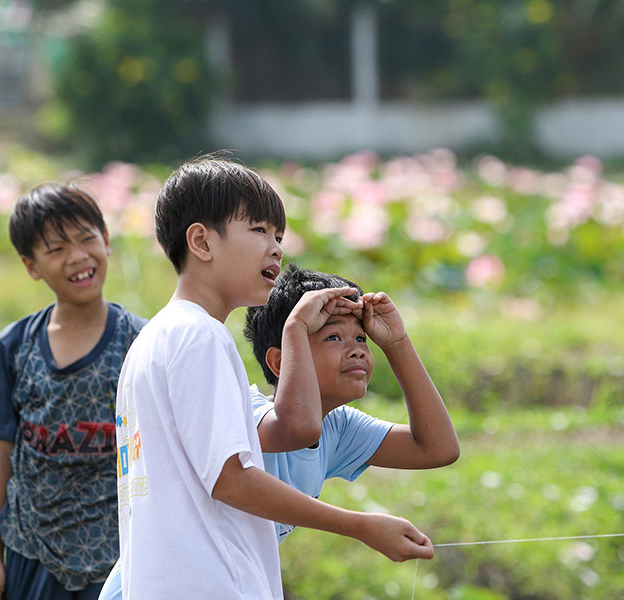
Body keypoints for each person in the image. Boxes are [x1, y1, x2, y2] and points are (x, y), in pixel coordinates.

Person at [112, 156, 433, 600]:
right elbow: (230, 478)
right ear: (202, 242)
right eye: (259, 230)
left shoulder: (155, 338)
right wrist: (360, 525)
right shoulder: (200, 335)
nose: (276, 248)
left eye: (278, 236)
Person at [0, 183, 147, 600]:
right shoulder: (14, 345)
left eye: (87, 239)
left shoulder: (142, 342)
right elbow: (3, 450)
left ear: (106, 241)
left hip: (119, 553)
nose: (77, 257)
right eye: (55, 249)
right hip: (31, 550)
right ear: (31, 265)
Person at [244, 264, 460, 543]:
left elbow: (437, 449)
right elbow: (297, 428)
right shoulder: (245, 411)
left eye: (360, 338)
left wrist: (397, 343)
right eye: (333, 337)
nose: (357, 350)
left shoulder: (336, 426)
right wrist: (296, 325)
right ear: (280, 362)